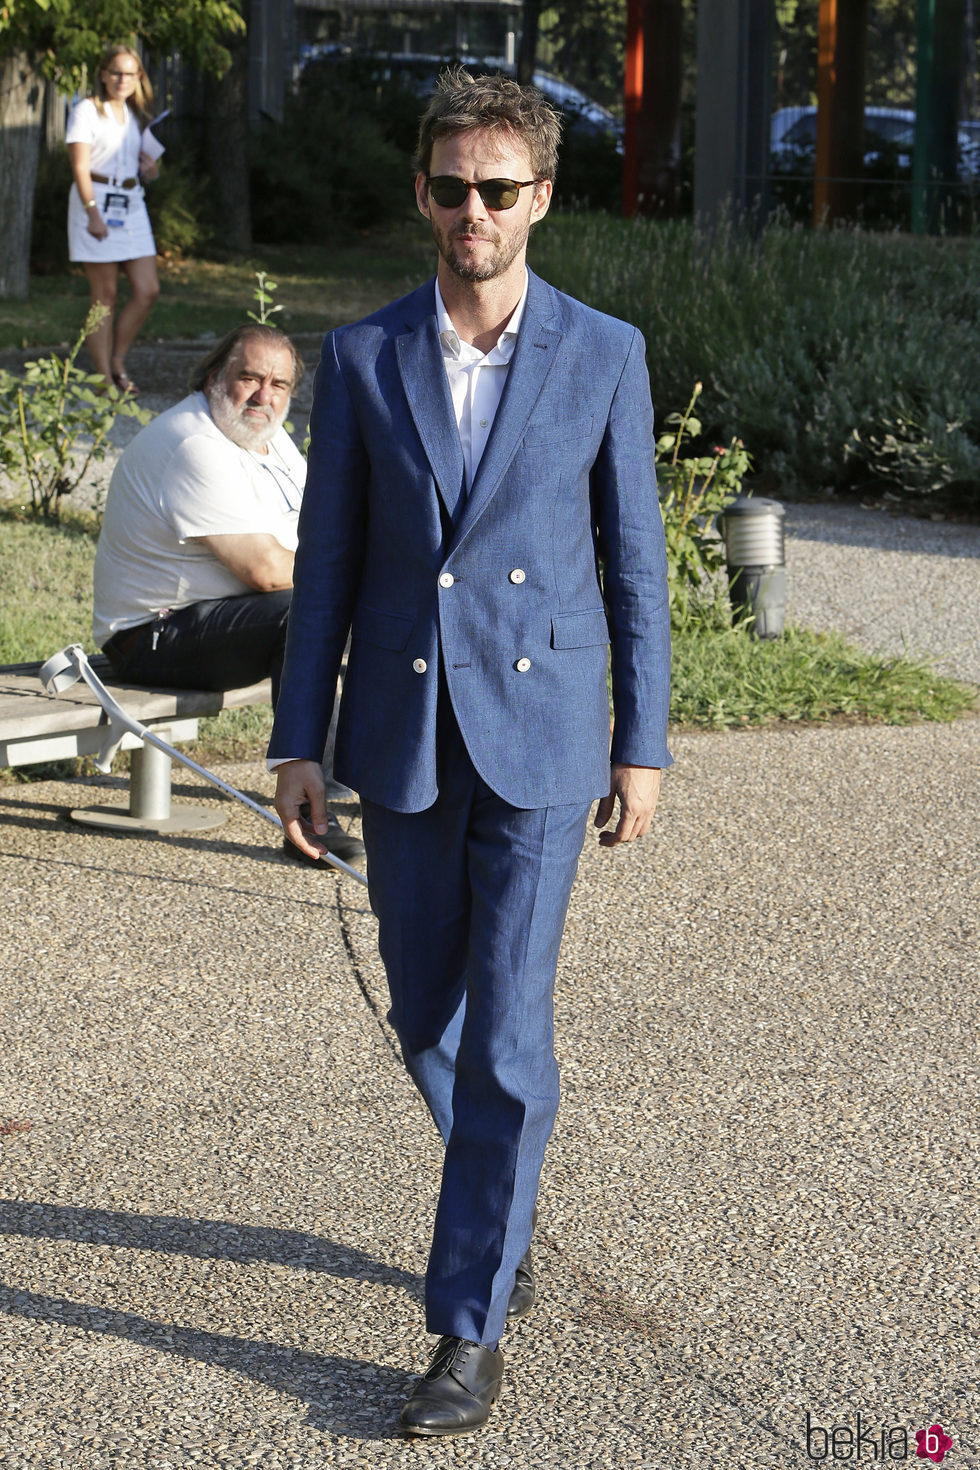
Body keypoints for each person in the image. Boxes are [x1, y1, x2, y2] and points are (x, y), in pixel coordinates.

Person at [270, 67, 672, 1435]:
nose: (474, 213)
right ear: (423, 195)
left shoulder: (605, 351)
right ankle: (500, 1203)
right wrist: (296, 742)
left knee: (506, 1037)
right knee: (425, 1016)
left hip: (546, 738)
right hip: (402, 734)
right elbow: (326, 563)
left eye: (500, 190)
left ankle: (467, 1324)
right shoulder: (367, 353)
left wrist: (644, 739)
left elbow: (634, 565)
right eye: (451, 189)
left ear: (543, 197)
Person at [93, 322, 364, 867]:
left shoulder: (265, 437)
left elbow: (325, 535)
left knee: (347, 610)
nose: (264, 396)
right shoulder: (194, 442)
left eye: (280, 385)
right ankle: (317, 816)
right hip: (150, 637)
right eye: (250, 378)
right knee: (302, 613)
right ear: (216, 375)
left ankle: (390, 789)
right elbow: (266, 570)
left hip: (218, 623)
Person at [66, 43, 161, 394]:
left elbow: (144, 166)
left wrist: (151, 172)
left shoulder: (136, 116)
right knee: (104, 296)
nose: (123, 79)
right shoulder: (87, 111)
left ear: (139, 78)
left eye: (130, 73)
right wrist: (93, 213)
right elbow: (79, 166)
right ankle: (104, 378)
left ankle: (118, 359)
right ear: (103, 75)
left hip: (132, 202)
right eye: (116, 72)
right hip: (96, 201)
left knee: (148, 289)